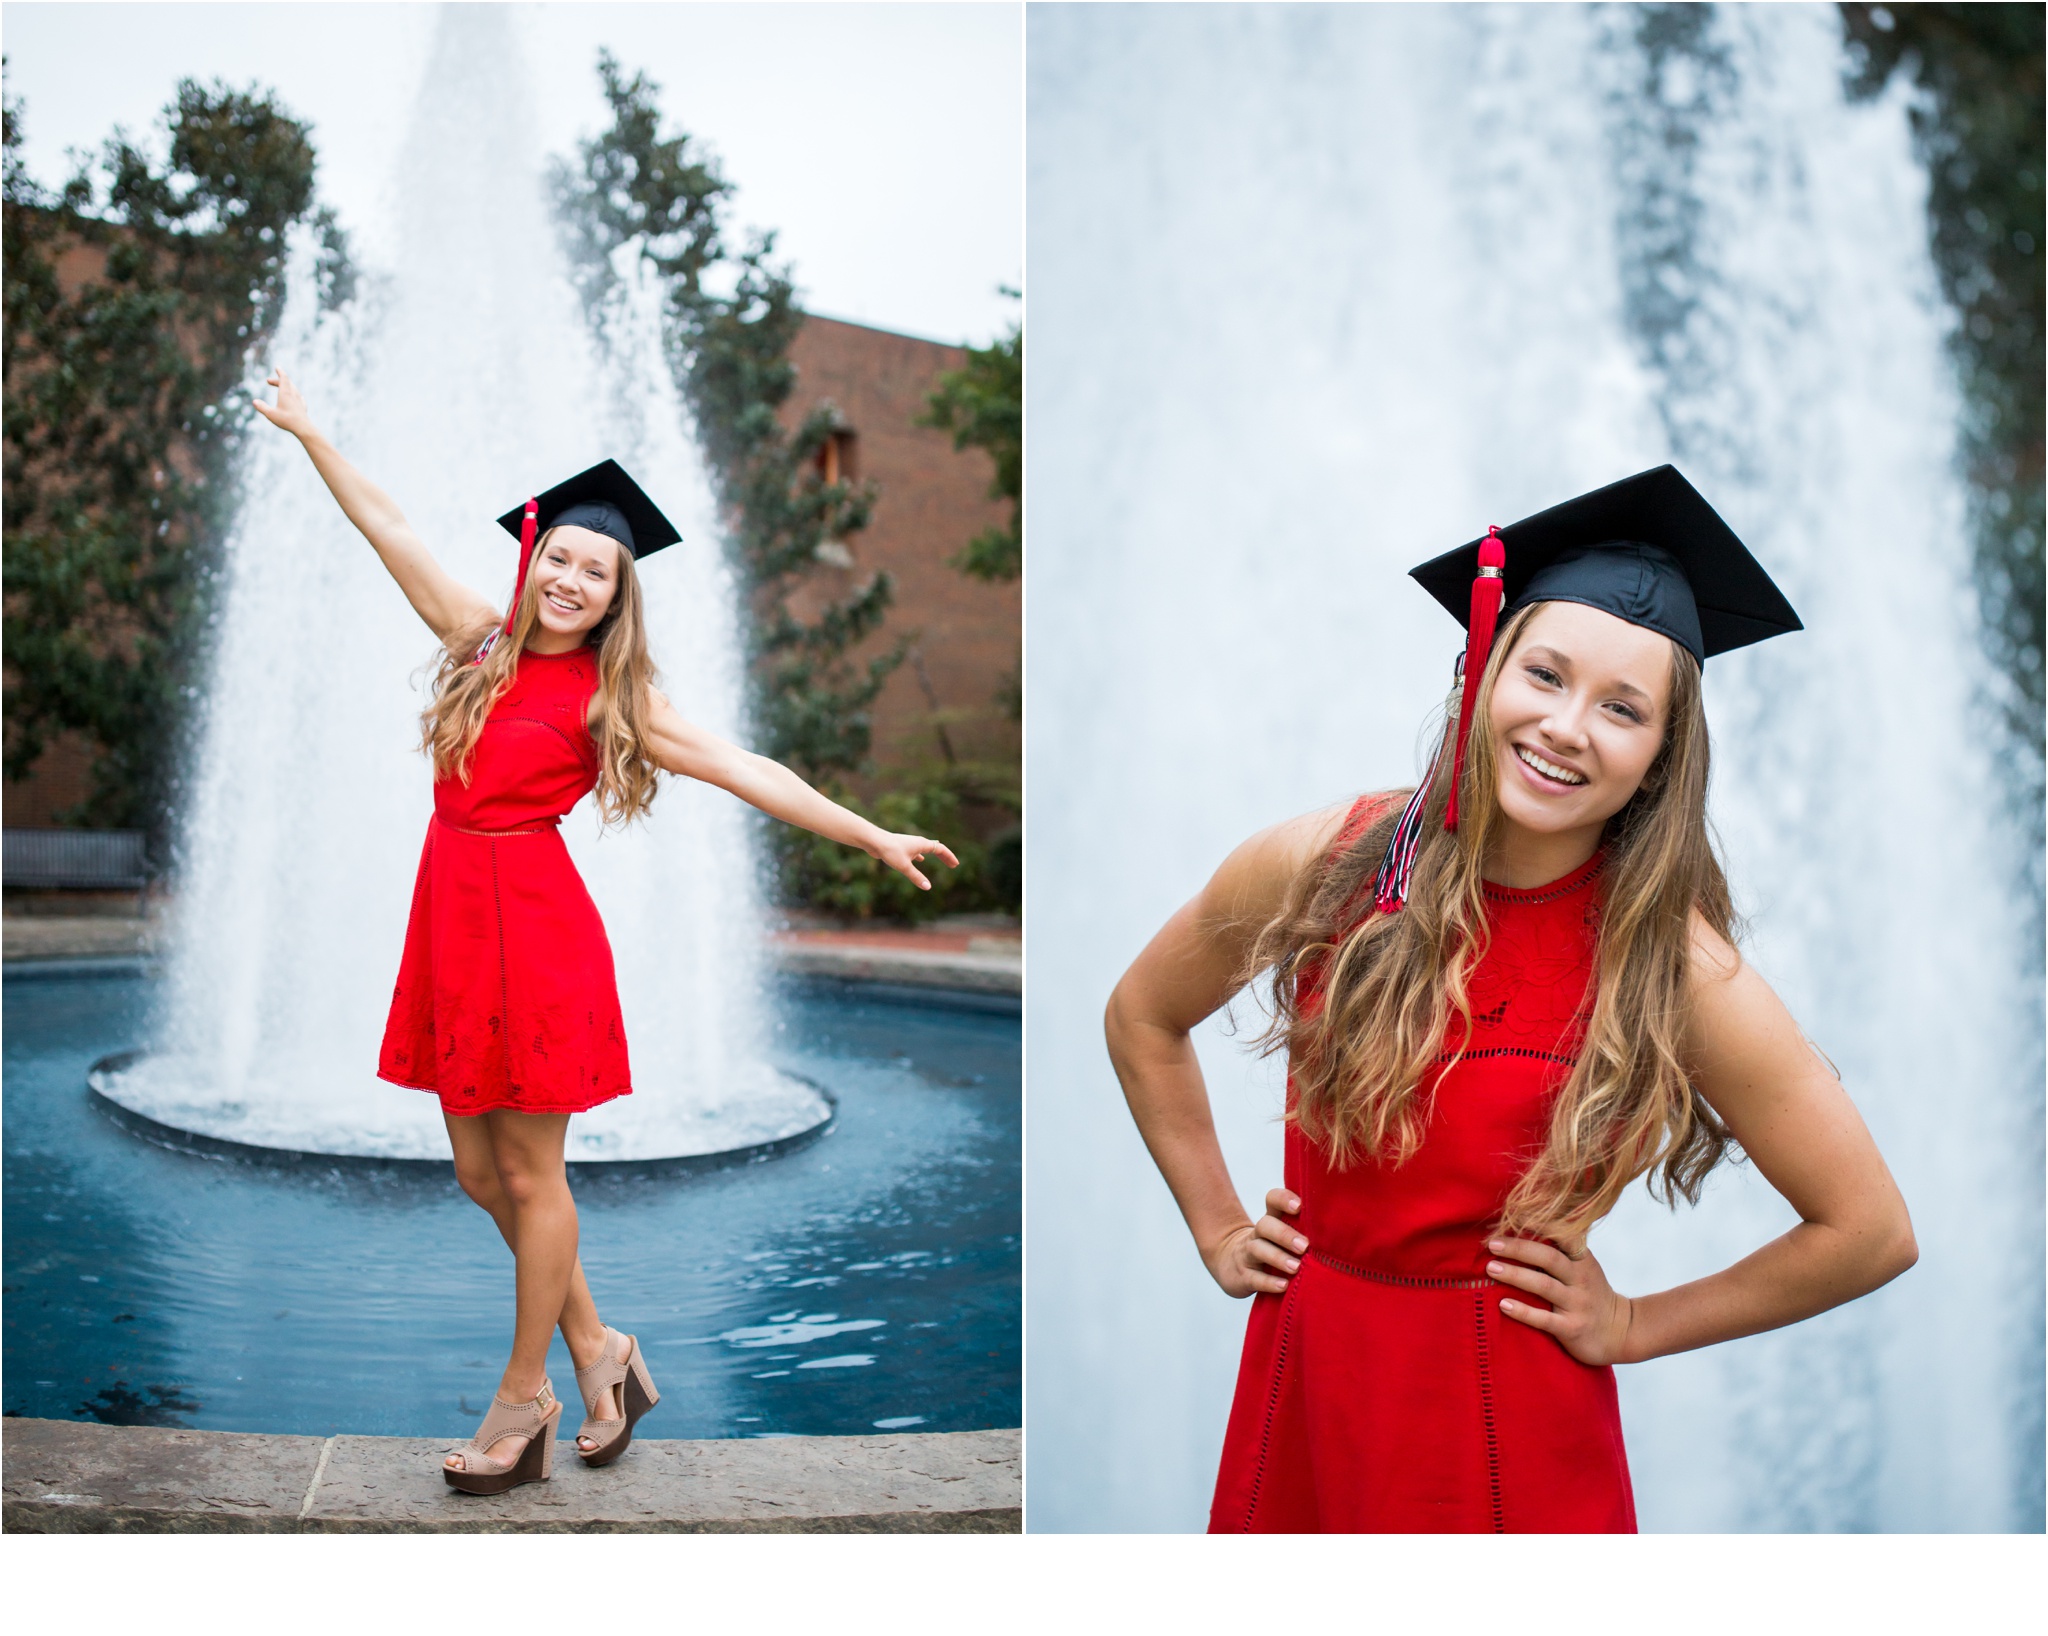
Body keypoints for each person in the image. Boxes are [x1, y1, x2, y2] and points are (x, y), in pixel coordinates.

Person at [1103, 466, 1918, 1532]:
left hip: (1508, 1423)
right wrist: (1215, 1224)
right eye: (1543, 674)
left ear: (1660, 755)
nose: (1567, 725)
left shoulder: (1673, 965)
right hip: (1308, 1380)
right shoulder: (1330, 858)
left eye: (1621, 708)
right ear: (1482, 671)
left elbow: (1867, 1230)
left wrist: (1630, 1322)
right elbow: (1142, 1015)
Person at [254, 368, 957, 1494]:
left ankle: (522, 1396)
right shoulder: (476, 642)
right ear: (531, 560)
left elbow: (745, 769)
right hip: (448, 924)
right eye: (563, 559)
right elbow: (384, 524)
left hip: (533, 936)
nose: (575, 580)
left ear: (619, 597)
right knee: (482, 1176)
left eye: (599, 571)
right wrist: (309, 434)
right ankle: (602, 1349)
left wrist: (870, 833)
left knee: (533, 1176)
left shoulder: (605, 699)